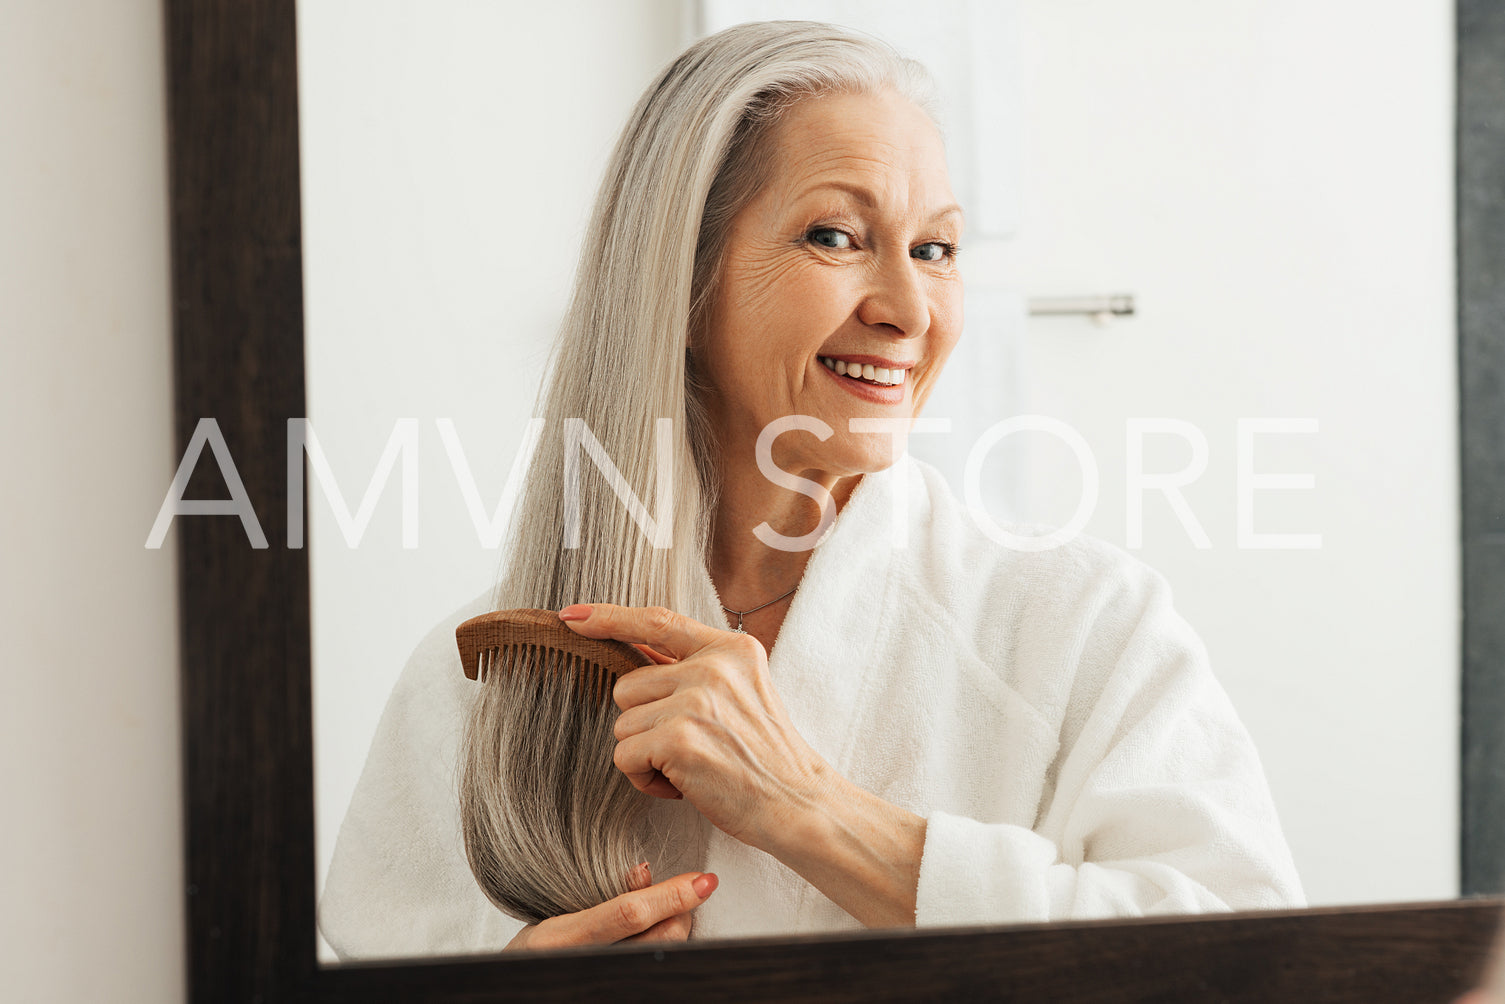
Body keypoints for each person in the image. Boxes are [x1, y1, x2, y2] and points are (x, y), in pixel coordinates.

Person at [318, 20, 1304, 959]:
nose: (908, 307)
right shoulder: (484, 672)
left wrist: (807, 808)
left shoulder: (1084, 625)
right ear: (685, 279)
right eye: (835, 236)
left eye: (934, 249)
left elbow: (1249, 963)